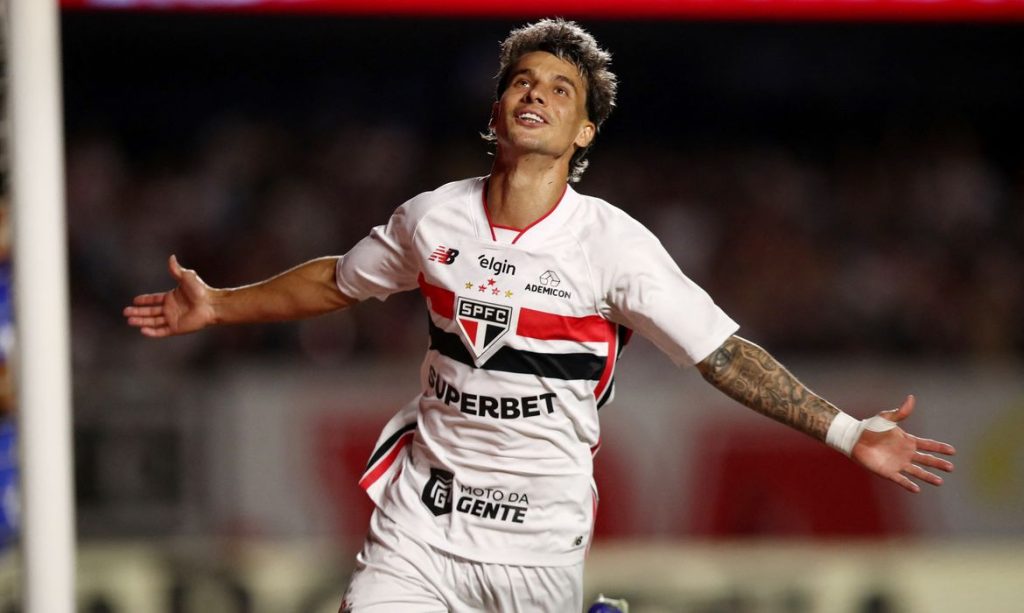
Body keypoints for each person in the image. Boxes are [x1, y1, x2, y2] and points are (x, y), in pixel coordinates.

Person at [124, 19, 956, 613]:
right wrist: (222, 305)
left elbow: (722, 353)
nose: (537, 94)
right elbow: (340, 283)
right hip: (423, 520)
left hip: (537, 540)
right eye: (522, 81)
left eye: (561, 89)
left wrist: (850, 434)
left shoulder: (614, 246)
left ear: (585, 127)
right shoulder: (431, 218)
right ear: (495, 114)